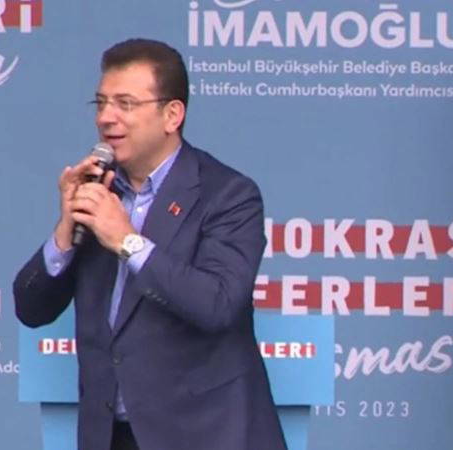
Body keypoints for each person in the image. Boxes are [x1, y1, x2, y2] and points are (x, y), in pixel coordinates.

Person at [14, 38, 286, 450]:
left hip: (205, 436)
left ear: (172, 115)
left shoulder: (227, 194)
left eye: (125, 104)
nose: (106, 118)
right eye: (101, 103)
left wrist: (127, 241)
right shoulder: (98, 193)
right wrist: (66, 230)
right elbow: (31, 308)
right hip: (112, 436)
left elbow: (217, 304)